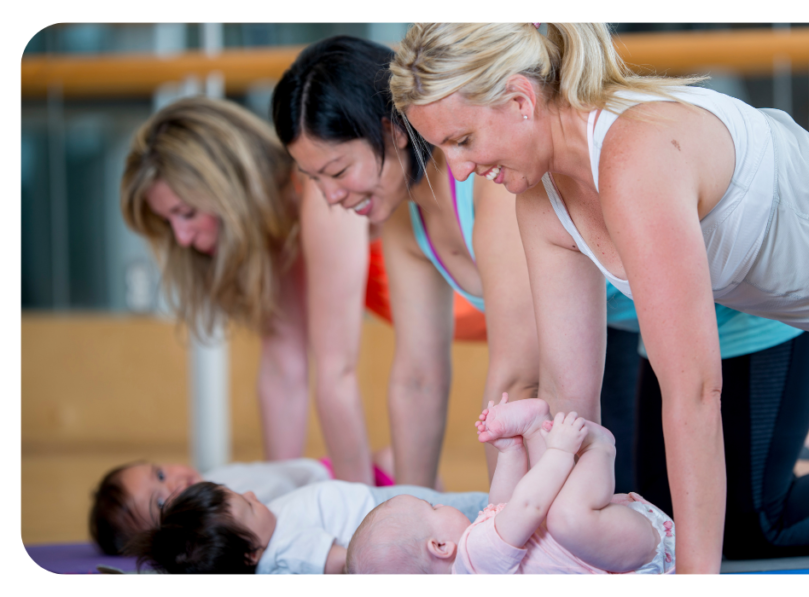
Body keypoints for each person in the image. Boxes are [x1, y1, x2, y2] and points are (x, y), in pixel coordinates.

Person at [389, 23, 809, 573]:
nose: (460, 171)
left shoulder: (635, 154)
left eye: (463, 140)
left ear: (520, 100)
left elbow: (693, 391)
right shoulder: (540, 199)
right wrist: (531, 557)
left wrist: (694, 583)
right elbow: (568, 402)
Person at [270, 35, 646, 489]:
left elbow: (520, 374)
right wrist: (411, 507)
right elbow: (417, 379)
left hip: (692, 323)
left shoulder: (491, 178)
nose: (330, 197)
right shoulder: (404, 218)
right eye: (314, 180)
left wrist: (500, 523)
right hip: (623, 331)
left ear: (392, 132)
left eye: (337, 172)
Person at [121, 97, 482, 487]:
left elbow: (337, 373)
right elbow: (283, 371)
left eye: (186, 213)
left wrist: (357, 512)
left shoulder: (321, 193)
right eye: (168, 221)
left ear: (226, 188)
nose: (182, 237)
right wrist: (279, 501)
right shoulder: (277, 237)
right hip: (476, 312)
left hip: (486, 303)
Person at [346, 397, 673, 574]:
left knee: (549, 517)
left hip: (620, 545)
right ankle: (599, 447)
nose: (442, 504)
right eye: (432, 507)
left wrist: (510, 451)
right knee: (559, 518)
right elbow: (527, 504)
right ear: (440, 546)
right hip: (636, 555)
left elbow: (503, 504)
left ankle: (533, 429)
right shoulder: (474, 557)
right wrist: (559, 450)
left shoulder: (481, 563)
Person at [88, 454, 485, 557]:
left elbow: (290, 479)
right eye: (160, 499)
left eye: (159, 472)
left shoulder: (221, 478)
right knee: (448, 513)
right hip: (353, 499)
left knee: (435, 498)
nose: (172, 481)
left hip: (338, 480)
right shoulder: (225, 526)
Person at [124, 479, 489, 574]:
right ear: (251, 553)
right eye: (248, 503)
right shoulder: (287, 551)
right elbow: (341, 562)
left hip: (388, 505)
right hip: (396, 519)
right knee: (477, 512)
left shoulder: (265, 536)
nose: (253, 493)